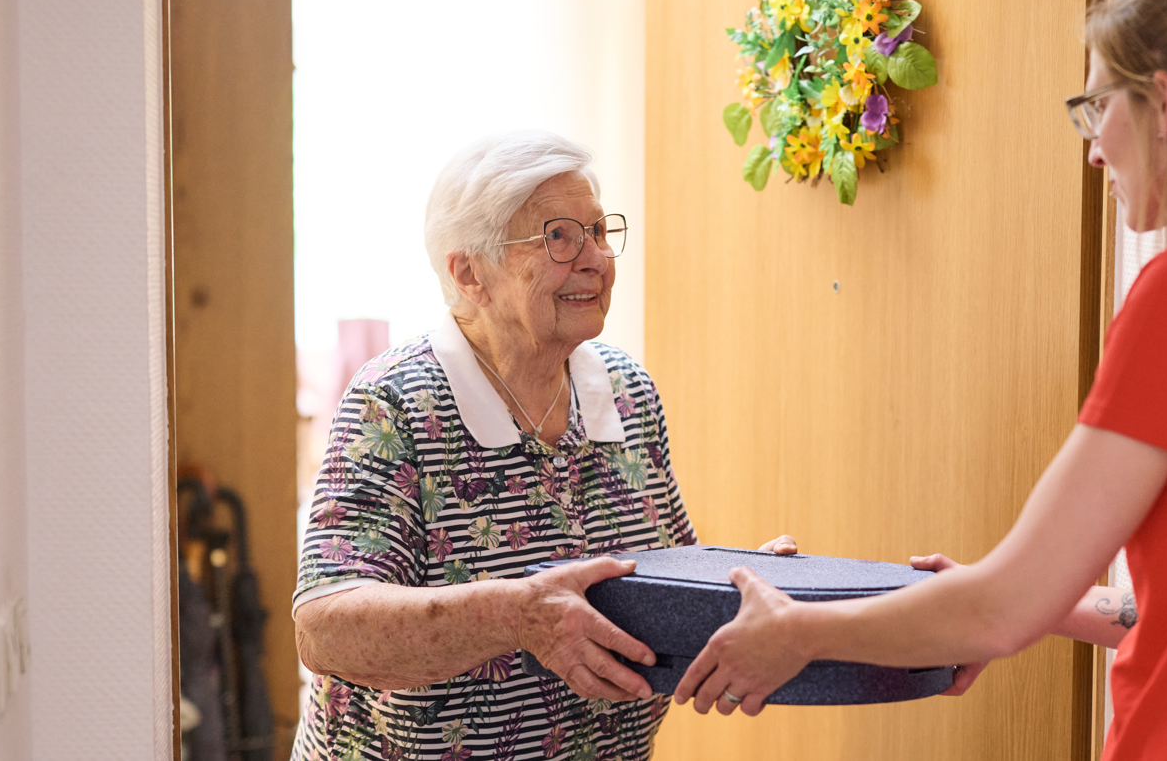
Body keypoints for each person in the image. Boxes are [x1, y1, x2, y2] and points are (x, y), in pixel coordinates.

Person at [670, 0, 1167, 761]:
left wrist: (799, 633)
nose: (1095, 148)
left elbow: (1001, 606)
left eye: (1099, 106)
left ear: (1163, 105)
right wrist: (1027, 602)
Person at [291, 130, 796, 761]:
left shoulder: (626, 389)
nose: (596, 260)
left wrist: (745, 591)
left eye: (598, 232)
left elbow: (664, 574)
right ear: (469, 272)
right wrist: (516, 616)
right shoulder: (395, 403)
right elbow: (326, 632)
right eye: (558, 237)